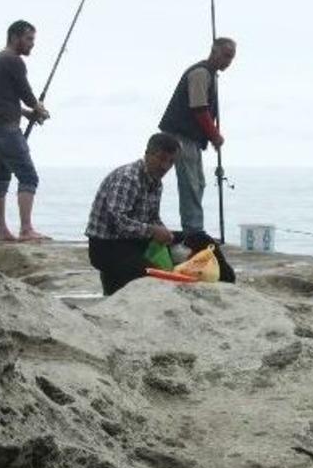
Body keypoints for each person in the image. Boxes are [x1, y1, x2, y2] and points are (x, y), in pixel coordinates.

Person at [0, 20, 51, 242]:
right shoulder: (13, 60)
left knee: (0, 179)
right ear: (15, 37)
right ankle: (26, 229)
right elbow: (25, 93)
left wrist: (26, 113)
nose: (32, 44)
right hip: (7, 132)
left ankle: (2, 231)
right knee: (29, 177)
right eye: (29, 39)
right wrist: (38, 108)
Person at [158, 37, 236, 234]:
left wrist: (211, 135)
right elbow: (199, 109)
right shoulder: (201, 73)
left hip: (191, 137)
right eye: (226, 55)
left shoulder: (211, 75)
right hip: (180, 135)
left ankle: (194, 228)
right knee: (191, 184)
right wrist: (214, 135)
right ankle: (193, 231)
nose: (228, 61)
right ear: (214, 51)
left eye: (231, 57)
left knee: (198, 182)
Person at [85, 133, 179, 296]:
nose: (165, 166)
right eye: (162, 159)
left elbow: (153, 217)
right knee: (156, 276)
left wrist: (166, 234)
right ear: (147, 154)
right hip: (107, 245)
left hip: (134, 241)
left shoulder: (156, 182)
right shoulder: (128, 178)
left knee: (196, 240)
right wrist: (153, 231)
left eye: (171, 162)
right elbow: (119, 222)